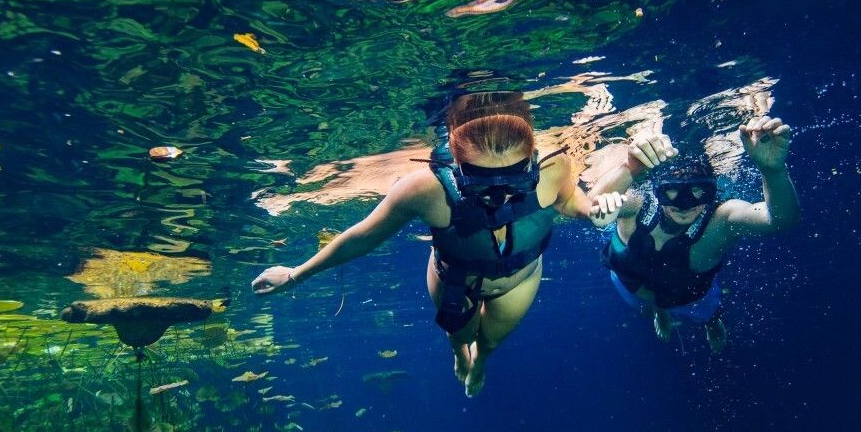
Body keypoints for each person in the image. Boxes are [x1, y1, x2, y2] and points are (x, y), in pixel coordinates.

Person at [252, 92, 618, 396]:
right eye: (481, 184)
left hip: (518, 280)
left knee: (490, 342)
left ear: (530, 162)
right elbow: (362, 237)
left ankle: (480, 362)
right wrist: (296, 275)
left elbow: (569, 199)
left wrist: (591, 209)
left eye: (514, 181)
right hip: (454, 281)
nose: (499, 196)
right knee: (459, 336)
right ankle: (460, 355)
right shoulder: (423, 189)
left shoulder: (554, 167)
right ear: (456, 165)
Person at [589, 116, 799, 352]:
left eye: (699, 190)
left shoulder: (721, 220)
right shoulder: (637, 204)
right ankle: (660, 311)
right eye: (672, 190)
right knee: (646, 309)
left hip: (692, 297)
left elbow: (780, 220)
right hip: (628, 283)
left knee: (706, 312)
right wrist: (621, 179)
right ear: (657, 189)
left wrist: (772, 171)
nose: (685, 202)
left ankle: (712, 321)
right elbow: (591, 204)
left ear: (712, 190)